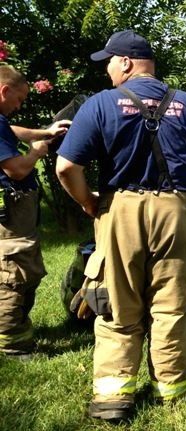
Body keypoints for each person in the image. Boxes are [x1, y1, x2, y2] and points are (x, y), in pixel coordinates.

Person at [55, 30, 186, 421]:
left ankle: (114, 396)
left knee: (117, 299)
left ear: (126, 62)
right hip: (176, 210)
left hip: (120, 209)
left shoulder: (100, 105)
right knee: (172, 302)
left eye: (109, 62)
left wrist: (87, 201)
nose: (108, 70)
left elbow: (66, 166)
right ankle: (171, 388)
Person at [0, 65, 71, 360]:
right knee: (13, 274)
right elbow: (15, 169)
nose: (20, 106)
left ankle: (16, 331)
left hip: (15, 212)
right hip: (10, 213)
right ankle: (13, 345)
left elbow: (11, 131)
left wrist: (47, 132)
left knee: (20, 267)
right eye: (19, 99)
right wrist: (37, 152)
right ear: (4, 91)